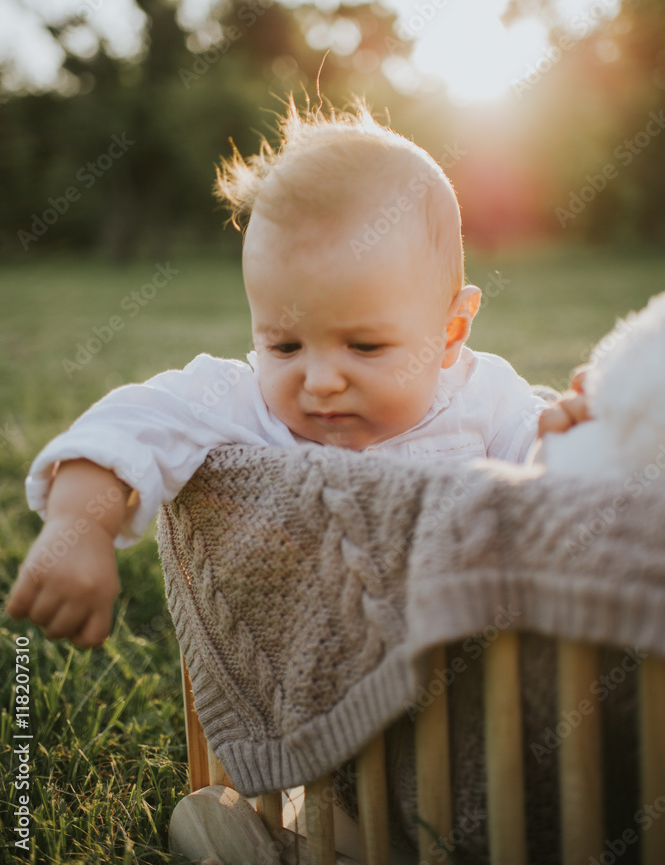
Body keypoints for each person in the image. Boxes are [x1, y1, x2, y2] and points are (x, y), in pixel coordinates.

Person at [6, 100, 586, 649]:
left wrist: (574, 435)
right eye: (284, 344)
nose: (321, 380)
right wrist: (79, 526)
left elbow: (553, 475)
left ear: (451, 332)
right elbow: (134, 421)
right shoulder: (242, 400)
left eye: (364, 344)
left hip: (471, 663)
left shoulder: (484, 396)